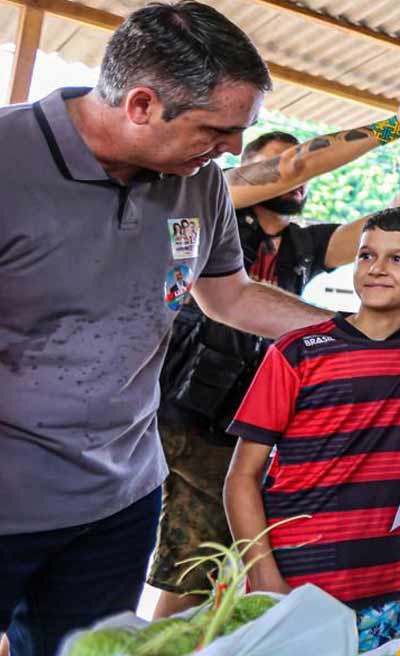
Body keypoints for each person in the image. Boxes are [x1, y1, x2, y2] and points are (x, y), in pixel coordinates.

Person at [0, 3, 338, 653]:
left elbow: (231, 297)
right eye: (219, 129)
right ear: (142, 105)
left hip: (116, 502)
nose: (234, 150)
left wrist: (348, 336)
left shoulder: (198, 184)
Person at [149, 100, 400, 618]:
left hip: (262, 414)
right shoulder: (218, 202)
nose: (298, 176)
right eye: (281, 164)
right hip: (198, 414)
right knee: (204, 553)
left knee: (238, 547)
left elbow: (386, 229)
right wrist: (396, 125)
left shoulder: (303, 243)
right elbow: (299, 162)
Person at [224, 208, 400, 650]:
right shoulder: (298, 353)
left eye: (397, 259)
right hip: (298, 579)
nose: (376, 268)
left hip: (387, 580)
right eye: (365, 255)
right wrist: (264, 576)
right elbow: (241, 478)